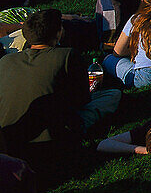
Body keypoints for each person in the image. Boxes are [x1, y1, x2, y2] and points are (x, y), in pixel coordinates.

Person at [0, 9, 121, 156]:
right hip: (57, 134)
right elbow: (82, 100)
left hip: (10, 137)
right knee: (112, 95)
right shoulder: (67, 55)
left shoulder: (6, 61)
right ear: (58, 33)